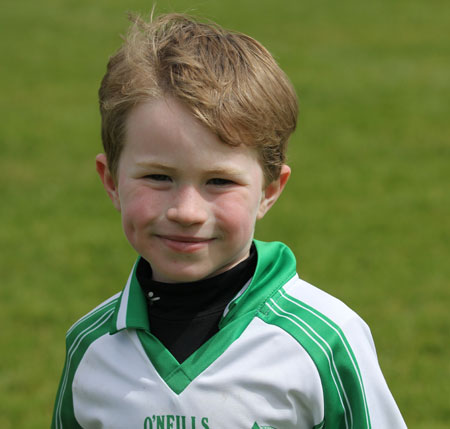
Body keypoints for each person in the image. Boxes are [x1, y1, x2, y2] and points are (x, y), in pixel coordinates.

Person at [51, 12, 407, 429]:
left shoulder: (325, 340)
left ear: (270, 190)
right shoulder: (90, 346)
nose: (186, 211)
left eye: (219, 181)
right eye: (158, 177)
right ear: (111, 181)